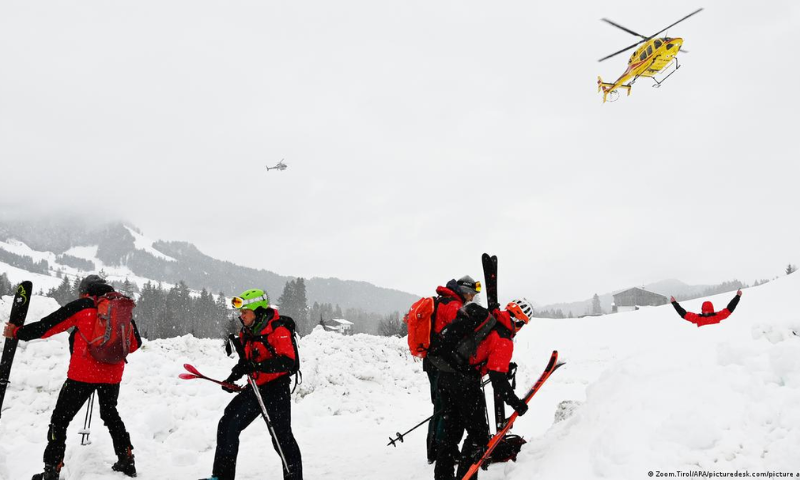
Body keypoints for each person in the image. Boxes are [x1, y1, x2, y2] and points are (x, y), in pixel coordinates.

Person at [2, 275, 142, 480]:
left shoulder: (83, 305)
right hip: (112, 376)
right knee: (110, 414)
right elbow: (134, 344)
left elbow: (47, 326)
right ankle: (127, 459)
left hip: (82, 376)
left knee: (60, 420)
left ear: (86, 291)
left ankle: (51, 469)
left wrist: (18, 332)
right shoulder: (120, 309)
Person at [201, 288, 302, 480]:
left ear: (257, 311)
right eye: (241, 312)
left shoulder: (278, 329)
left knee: (281, 437)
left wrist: (256, 365)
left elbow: (287, 361)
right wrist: (232, 378)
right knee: (228, 424)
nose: (241, 316)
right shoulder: (247, 332)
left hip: (276, 389)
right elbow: (246, 363)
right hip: (256, 389)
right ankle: (222, 476)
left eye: (245, 312)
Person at [433, 298, 533, 480]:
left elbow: (480, 353)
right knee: (478, 437)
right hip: (464, 385)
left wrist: (502, 367)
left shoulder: (489, 319)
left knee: (451, 431)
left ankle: (443, 477)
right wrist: (516, 403)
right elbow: (498, 380)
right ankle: (466, 477)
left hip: (445, 375)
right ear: (519, 322)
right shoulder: (504, 338)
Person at [424, 276, 480, 464]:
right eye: (471, 294)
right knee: (444, 408)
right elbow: (458, 334)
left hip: (433, 361)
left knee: (440, 407)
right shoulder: (453, 306)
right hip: (442, 364)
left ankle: (434, 450)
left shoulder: (443, 300)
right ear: (464, 291)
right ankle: (441, 452)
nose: (472, 298)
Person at [670, 289, 742, 327]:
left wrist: (674, 303)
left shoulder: (698, 318)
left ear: (702, 309)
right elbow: (729, 309)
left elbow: (684, 314)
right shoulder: (717, 316)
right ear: (712, 308)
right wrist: (737, 297)